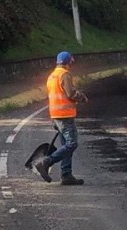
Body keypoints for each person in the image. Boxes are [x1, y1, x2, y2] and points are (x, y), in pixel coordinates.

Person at [35, 51, 88, 185]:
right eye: (71, 62)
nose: (72, 64)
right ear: (68, 62)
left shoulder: (52, 76)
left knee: (65, 145)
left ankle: (66, 175)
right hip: (65, 116)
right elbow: (71, 93)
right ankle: (46, 162)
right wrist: (82, 97)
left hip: (56, 115)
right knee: (71, 144)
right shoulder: (64, 75)